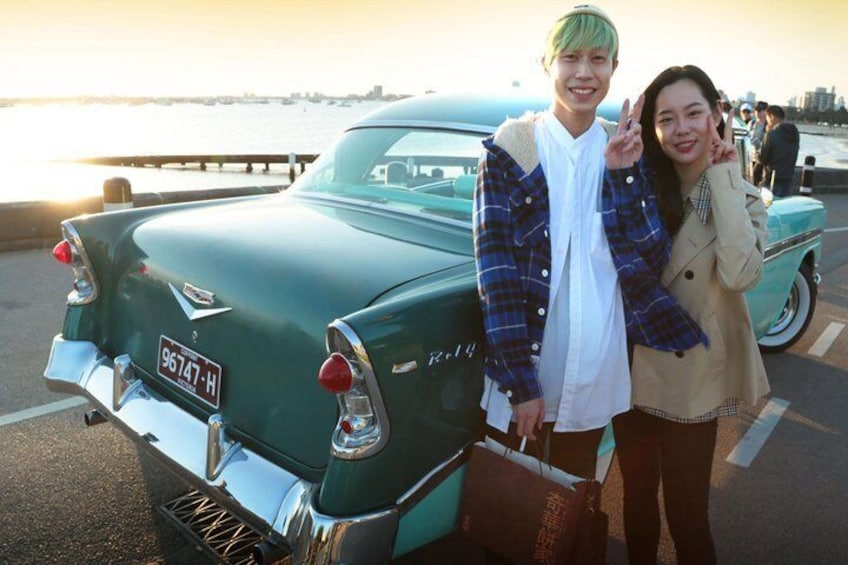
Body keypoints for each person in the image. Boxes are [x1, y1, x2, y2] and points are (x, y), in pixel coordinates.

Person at [602, 65, 770, 565]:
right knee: (634, 501)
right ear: (652, 128)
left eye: (694, 113)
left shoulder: (741, 198)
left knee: (688, 514)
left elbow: (740, 273)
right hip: (634, 367)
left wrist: (723, 175)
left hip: (694, 376)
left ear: (717, 115)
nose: (682, 129)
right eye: (667, 118)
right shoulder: (638, 184)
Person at [473, 4, 629, 483]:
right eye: (570, 58)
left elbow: (646, 261)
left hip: (596, 375)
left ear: (613, 69)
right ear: (547, 65)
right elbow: (495, 277)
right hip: (529, 376)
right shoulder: (512, 149)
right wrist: (522, 385)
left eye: (599, 59)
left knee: (572, 513)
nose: (584, 73)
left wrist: (625, 179)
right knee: (512, 517)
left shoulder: (624, 151)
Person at [759, 104, 800, 197]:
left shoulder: (771, 134)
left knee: (768, 208)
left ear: (772, 117)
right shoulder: (794, 133)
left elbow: (763, 158)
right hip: (788, 178)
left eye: (767, 118)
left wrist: (767, 134)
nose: (767, 121)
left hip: (772, 179)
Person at [749, 101, 768, 185]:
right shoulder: (752, 123)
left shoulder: (767, 125)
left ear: (765, 111)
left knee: (757, 181)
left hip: (761, 157)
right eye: (756, 110)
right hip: (750, 156)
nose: (757, 112)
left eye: (760, 110)